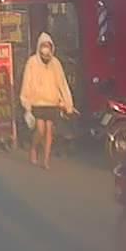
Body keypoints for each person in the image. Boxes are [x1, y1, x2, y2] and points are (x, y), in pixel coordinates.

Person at [19, 32, 76, 169]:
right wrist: (26, 103)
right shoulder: (32, 62)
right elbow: (26, 83)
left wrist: (68, 104)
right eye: (43, 46)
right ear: (39, 47)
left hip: (52, 102)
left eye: (48, 46)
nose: (45, 49)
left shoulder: (55, 63)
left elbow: (62, 84)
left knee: (49, 131)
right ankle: (34, 148)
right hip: (37, 101)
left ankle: (46, 160)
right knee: (40, 130)